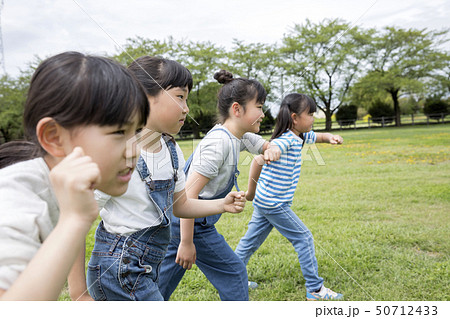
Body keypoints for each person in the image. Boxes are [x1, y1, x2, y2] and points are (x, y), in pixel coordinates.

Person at [75, 57, 246, 301]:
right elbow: (76, 221)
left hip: (146, 268)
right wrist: (77, 293)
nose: (186, 108)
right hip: (119, 268)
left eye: (187, 99)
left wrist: (222, 204)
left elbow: (180, 205)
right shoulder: (118, 153)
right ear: (144, 96)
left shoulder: (172, 150)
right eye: (179, 97)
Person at [0, 51, 149, 300]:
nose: (135, 151)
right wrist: (75, 218)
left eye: (138, 131)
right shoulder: (16, 198)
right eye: (119, 132)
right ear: (54, 137)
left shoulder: (64, 185)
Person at [158, 70, 281, 301]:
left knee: (160, 285)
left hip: (185, 224)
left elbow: (261, 144)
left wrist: (270, 148)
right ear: (237, 109)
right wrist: (186, 242)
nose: (263, 114)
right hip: (191, 225)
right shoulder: (219, 144)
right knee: (234, 272)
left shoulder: (238, 135)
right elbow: (186, 197)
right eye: (259, 107)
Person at [234, 93, 344, 301]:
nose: (313, 118)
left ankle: (233, 277)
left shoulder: (300, 136)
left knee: (250, 242)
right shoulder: (285, 140)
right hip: (274, 203)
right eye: (310, 114)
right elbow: (264, 154)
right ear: (295, 118)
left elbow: (318, 136)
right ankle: (315, 289)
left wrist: (330, 137)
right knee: (303, 237)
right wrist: (271, 151)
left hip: (265, 201)